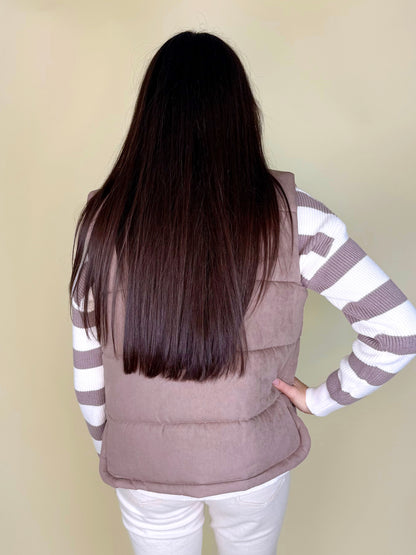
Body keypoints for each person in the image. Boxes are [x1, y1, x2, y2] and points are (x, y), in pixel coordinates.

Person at [68, 30, 416, 555]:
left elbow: (89, 367)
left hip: (143, 466)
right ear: (240, 113)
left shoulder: (101, 220)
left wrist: (114, 443)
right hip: (251, 462)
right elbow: (398, 332)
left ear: (149, 116)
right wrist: (318, 400)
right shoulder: (296, 215)